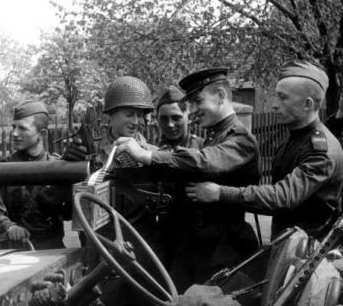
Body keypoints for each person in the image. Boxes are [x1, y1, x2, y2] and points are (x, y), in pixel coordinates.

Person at [115, 67, 260, 292]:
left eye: (197, 101)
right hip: (197, 250)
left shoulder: (240, 138)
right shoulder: (217, 135)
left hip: (223, 253)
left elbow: (205, 161)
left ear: (221, 96)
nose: (192, 111)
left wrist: (147, 155)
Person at [185, 60, 343, 239]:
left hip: (311, 254)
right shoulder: (294, 138)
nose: (274, 104)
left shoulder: (320, 151)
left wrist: (220, 193)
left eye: (283, 97)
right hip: (289, 246)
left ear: (307, 104)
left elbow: (284, 196)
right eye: (275, 96)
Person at [0, 100, 71, 249]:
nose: (14, 133)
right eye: (14, 127)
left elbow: (69, 213)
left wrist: (68, 188)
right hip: (12, 251)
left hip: (52, 250)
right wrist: (8, 226)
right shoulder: (2, 169)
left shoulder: (57, 168)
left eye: (22, 128)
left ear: (42, 133)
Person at [155, 85, 204, 269]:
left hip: (197, 241)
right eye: (164, 119)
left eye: (176, 117)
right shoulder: (153, 153)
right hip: (164, 239)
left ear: (188, 117)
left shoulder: (203, 149)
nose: (170, 124)